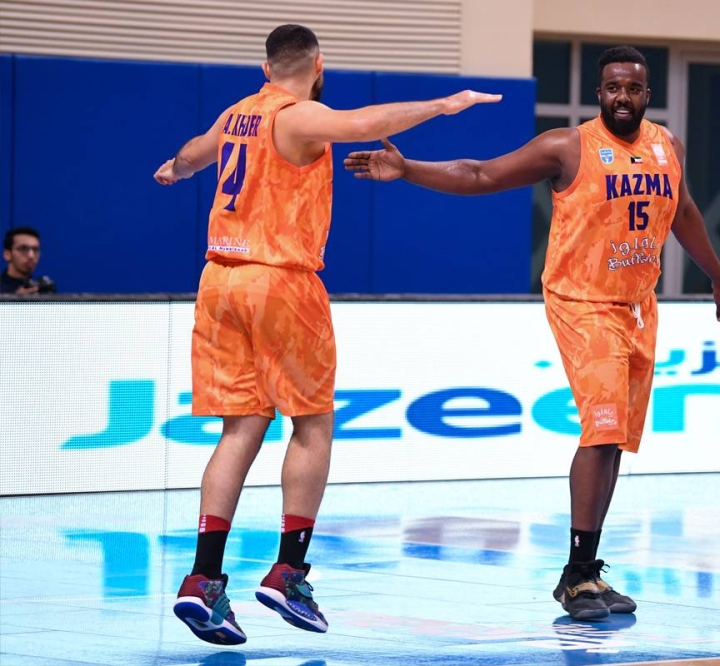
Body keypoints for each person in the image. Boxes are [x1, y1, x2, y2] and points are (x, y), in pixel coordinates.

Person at [344, 46, 720, 621]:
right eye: (612, 87)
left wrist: (718, 278)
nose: (622, 96)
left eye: (632, 88)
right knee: (602, 431)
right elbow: (480, 173)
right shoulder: (567, 147)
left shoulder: (667, 146)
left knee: (615, 441)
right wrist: (410, 170)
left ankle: (589, 570)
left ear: (646, 95)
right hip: (582, 302)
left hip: (638, 306)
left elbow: (684, 213)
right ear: (598, 93)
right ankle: (575, 577)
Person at [153, 23, 499, 645]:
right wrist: (445, 105)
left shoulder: (237, 114)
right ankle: (288, 572)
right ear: (318, 66)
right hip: (280, 280)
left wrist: (175, 170)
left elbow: (193, 153)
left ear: (265, 68)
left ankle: (203, 579)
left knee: (240, 429)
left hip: (219, 280)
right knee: (312, 423)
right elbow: (365, 123)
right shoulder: (299, 116)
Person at [1, 226, 56, 295]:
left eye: (35, 250)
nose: (31, 256)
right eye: (23, 249)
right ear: (7, 255)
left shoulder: (41, 289)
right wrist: (14, 299)